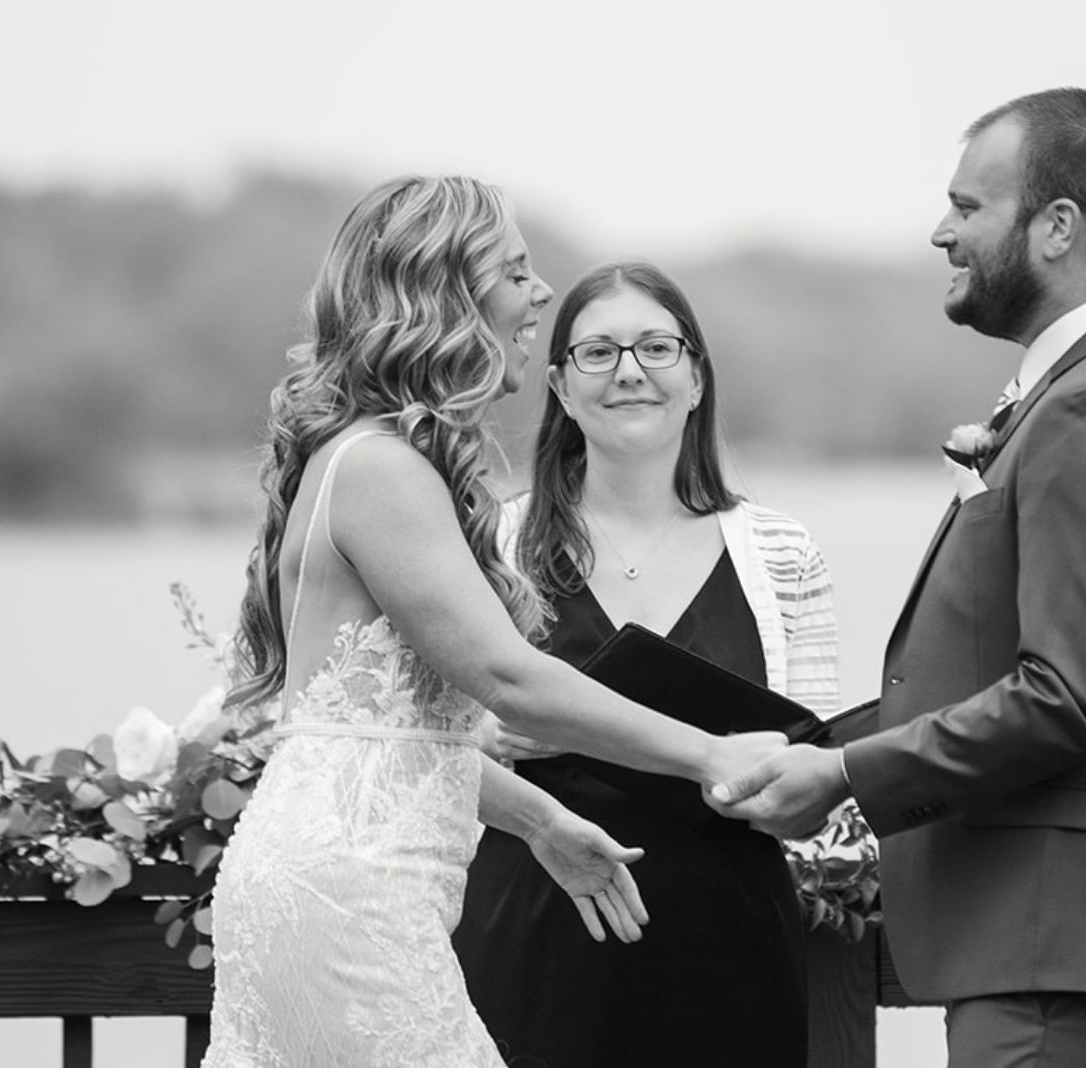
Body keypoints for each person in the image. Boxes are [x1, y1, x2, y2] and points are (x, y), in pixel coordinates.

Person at [712, 88, 1086, 1068]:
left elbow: (1068, 699)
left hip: (1062, 956)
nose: (940, 232)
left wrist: (838, 777)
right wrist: (800, 746)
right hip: (1058, 952)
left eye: (967, 207)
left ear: (1057, 228)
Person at [200, 178, 783, 1068]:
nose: (542, 293)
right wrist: (712, 752)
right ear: (445, 299)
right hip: (353, 895)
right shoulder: (382, 468)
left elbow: (385, 736)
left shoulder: (373, 459)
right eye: (515, 270)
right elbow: (508, 677)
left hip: (328, 875)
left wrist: (540, 822)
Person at [452, 259, 840, 1068]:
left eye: (657, 348)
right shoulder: (488, 547)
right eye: (599, 353)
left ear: (696, 378)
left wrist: (765, 779)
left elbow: (816, 784)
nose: (630, 372)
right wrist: (492, 738)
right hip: (526, 935)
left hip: (728, 952)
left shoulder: (782, 554)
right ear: (559, 386)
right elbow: (428, 745)